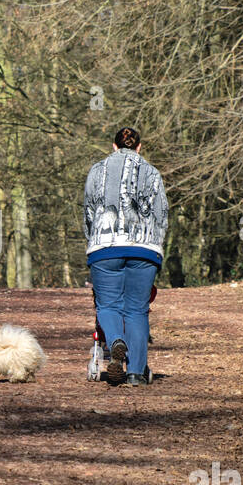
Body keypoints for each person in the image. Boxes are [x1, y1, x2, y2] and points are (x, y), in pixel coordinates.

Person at [83, 126, 168, 386]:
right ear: (139, 147)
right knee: (137, 310)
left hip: (105, 247)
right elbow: (162, 214)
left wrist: (93, 239)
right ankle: (135, 373)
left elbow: (88, 211)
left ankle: (116, 341)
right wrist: (157, 246)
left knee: (107, 305)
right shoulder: (153, 173)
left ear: (114, 146)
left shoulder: (97, 170)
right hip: (144, 247)